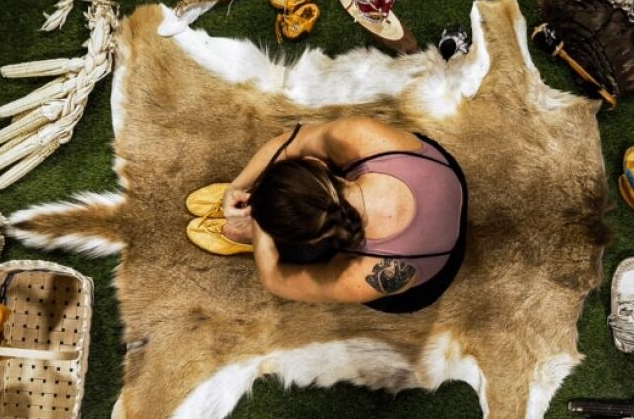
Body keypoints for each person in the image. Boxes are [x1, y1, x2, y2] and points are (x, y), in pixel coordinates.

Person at [189, 117, 467, 313]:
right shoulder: (359, 137)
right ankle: (274, 210)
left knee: (300, 260)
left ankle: (250, 235)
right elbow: (290, 143)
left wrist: (259, 222)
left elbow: (274, 278)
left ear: (317, 238)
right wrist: (239, 186)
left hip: (433, 274)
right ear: (315, 163)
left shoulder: (368, 276)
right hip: (444, 177)